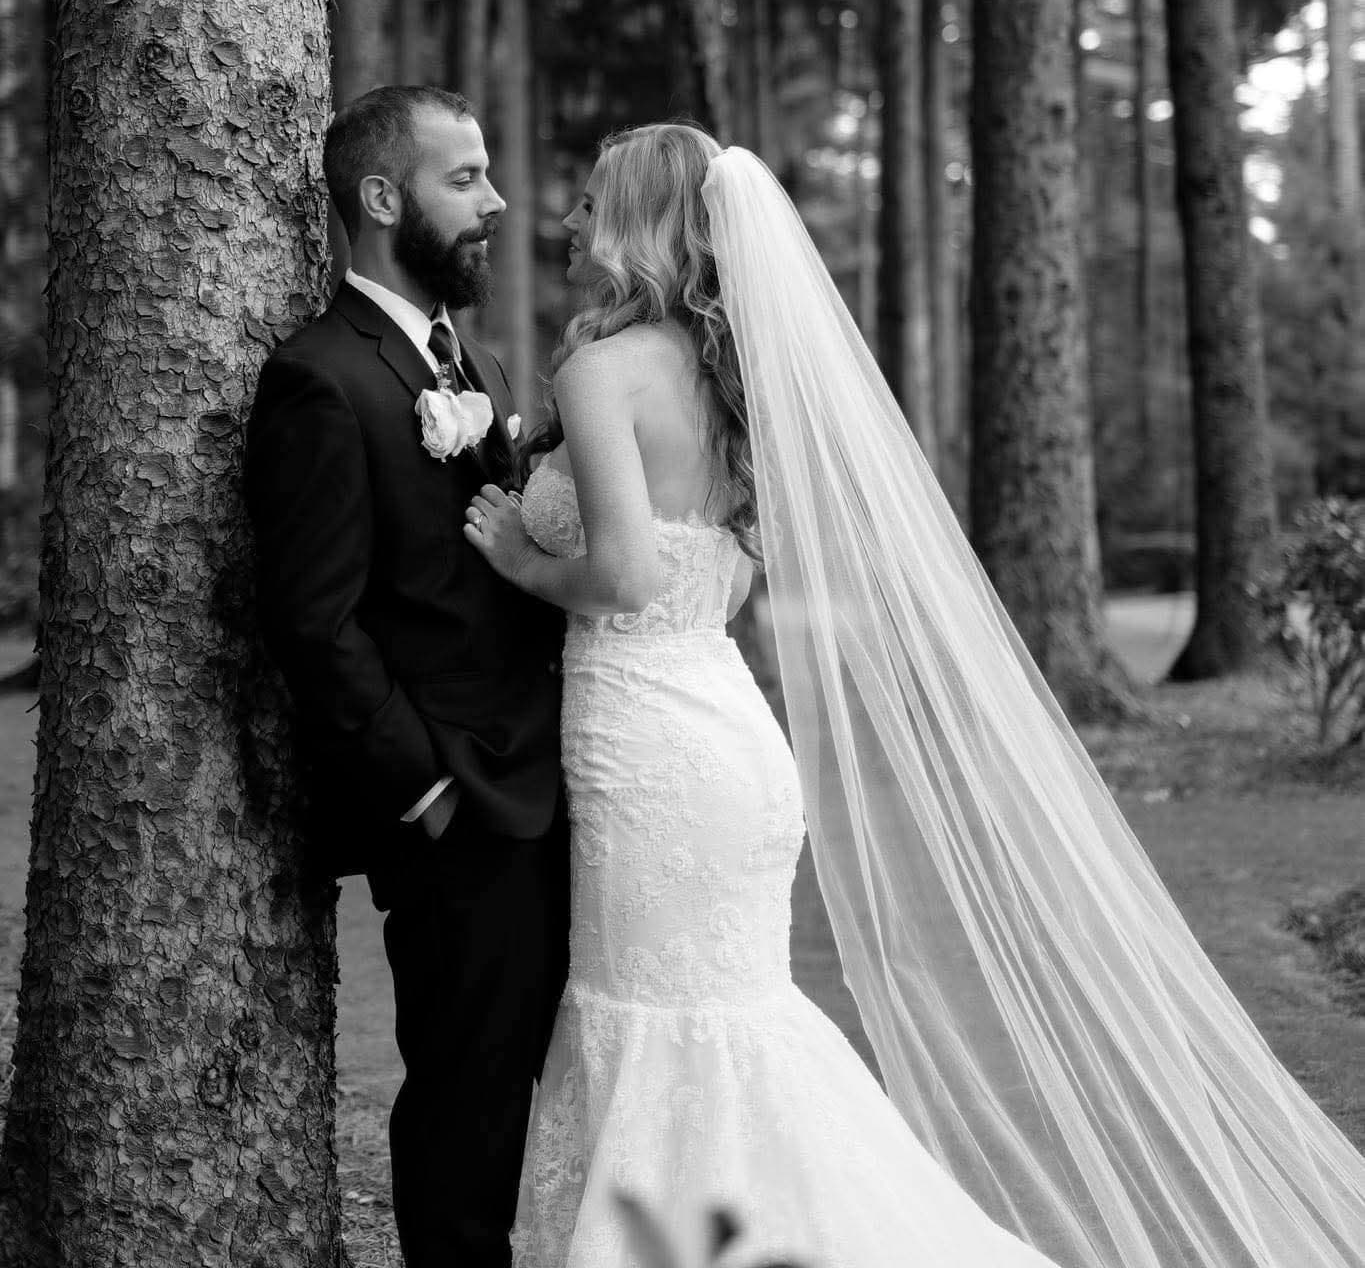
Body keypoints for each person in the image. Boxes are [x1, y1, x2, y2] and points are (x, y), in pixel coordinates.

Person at [465, 122, 1365, 1268]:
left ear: (641, 222)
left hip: (644, 743)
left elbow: (629, 575)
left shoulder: (598, 369)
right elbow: (729, 565)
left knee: (659, 1019)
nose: (570, 221)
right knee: (729, 1021)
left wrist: (519, 562)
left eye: (592, 201)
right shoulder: (740, 379)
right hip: (730, 733)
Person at [245, 85, 567, 1268]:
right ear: (382, 199)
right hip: (459, 812)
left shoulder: (460, 357)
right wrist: (423, 794)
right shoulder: (321, 378)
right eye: (464, 177)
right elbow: (315, 622)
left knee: (549, 1080)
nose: (493, 202)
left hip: (550, 778)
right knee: (466, 1106)